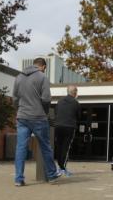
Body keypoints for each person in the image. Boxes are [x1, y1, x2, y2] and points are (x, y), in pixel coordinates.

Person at [13, 57, 63, 186]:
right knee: (45, 146)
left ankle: (19, 179)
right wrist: (45, 112)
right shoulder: (42, 77)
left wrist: (19, 110)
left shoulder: (18, 77)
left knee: (21, 148)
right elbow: (46, 99)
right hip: (38, 117)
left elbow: (14, 99)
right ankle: (52, 176)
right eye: (45, 68)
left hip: (22, 117)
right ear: (43, 66)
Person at [54, 85, 80, 175]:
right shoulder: (75, 102)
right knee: (66, 147)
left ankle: (59, 167)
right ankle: (62, 168)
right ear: (75, 92)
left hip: (58, 126)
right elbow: (78, 116)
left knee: (59, 146)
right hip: (69, 127)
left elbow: (56, 112)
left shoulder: (60, 101)